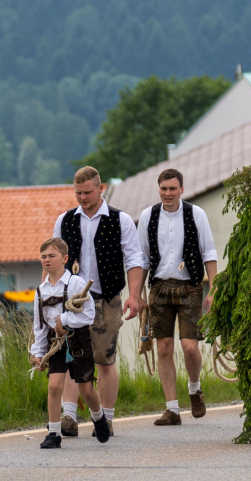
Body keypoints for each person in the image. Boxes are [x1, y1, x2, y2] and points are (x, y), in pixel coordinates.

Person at [53, 166, 143, 437]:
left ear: (101, 189)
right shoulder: (64, 221)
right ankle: (68, 417)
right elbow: (54, 261)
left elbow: (135, 259)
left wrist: (135, 296)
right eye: (78, 193)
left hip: (107, 300)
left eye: (88, 192)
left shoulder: (121, 220)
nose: (82, 197)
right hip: (74, 303)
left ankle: (107, 418)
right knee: (73, 357)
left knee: (104, 361)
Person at [136, 169, 218, 426]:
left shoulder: (196, 214)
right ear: (158, 189)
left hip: (190, 287)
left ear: (182, 189)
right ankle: (172, 409)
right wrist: (136, 294)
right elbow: (142, 259)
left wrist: (214, 289)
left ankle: (194, 389)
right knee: (163, 348)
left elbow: (209, 252)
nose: (168, 193)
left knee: (190, 347)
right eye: (163, 188)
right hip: (159, 289)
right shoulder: (148, 216)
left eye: (172, 188)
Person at [31, 237, 110, 449]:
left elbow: (89, 315)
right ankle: (54, 433)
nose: (47, 260)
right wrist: (38, 352)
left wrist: (63, 319)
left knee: (86, 389)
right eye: (43, 256)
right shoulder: (41, 291)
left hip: (78, 341)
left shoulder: (76, 283)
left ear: (65, 258)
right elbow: (39, 325)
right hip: (55, 342)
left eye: (52, 256)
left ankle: (99, 417)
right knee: (54, 386)